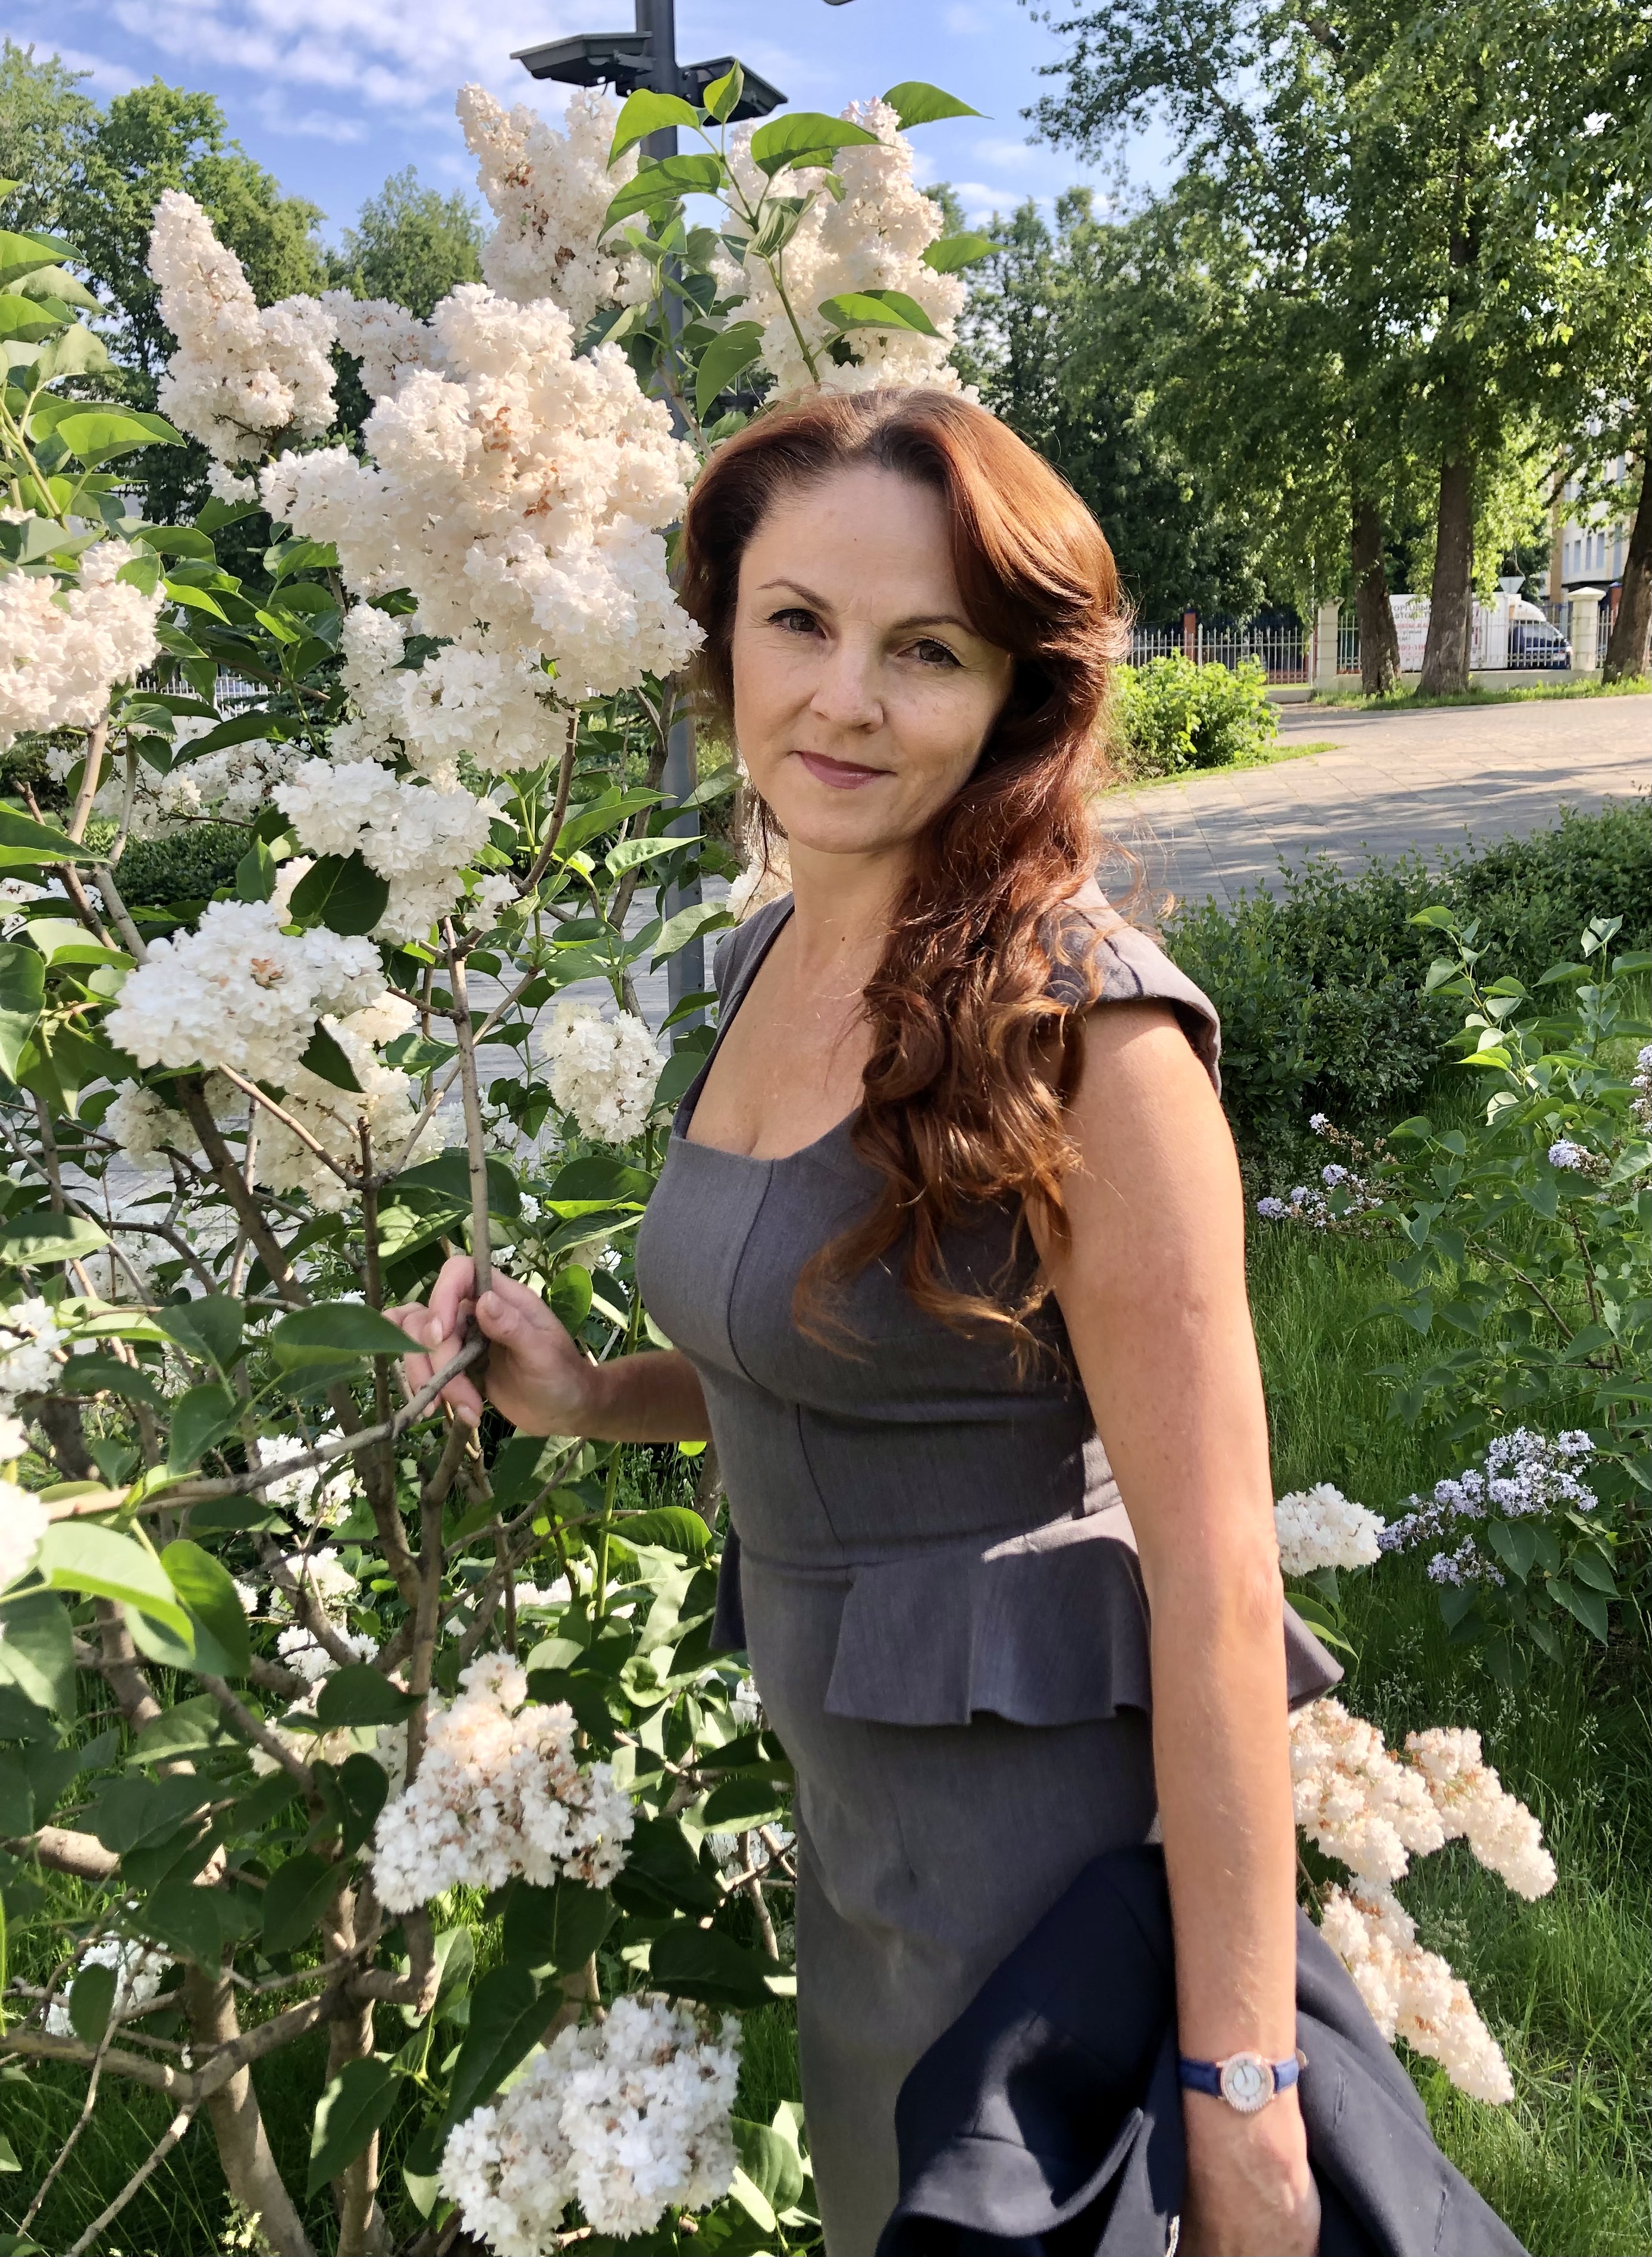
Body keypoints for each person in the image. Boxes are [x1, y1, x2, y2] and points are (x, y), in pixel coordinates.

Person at [394, 389, 1338, 2256]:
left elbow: (1220, 1577)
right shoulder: (768, 957)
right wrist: (584, 1395)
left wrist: (1242, 2094)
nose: (842, 699)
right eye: (798, 622)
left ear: (1012, 696)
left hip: (1037, 1886)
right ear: (724, 639)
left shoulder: (1088, 1037)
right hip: (854, 1852)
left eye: (924, 650)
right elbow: (847, 1362)